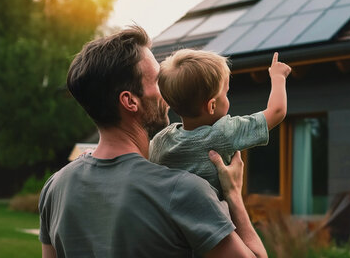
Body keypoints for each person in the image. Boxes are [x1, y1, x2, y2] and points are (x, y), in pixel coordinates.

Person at [38, 26, 266, 258]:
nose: (168, 91)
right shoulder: (182, 191)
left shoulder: (55, 188)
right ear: (130, 101)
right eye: (160, 81)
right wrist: (234, 196)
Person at [149, 49, 291, 196]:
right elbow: (277, 111)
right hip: (216, 215)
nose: (227, 98)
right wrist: (278, 77)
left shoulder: (162, 141)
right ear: (212, 106)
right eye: (226, 93)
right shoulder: (223, 132)